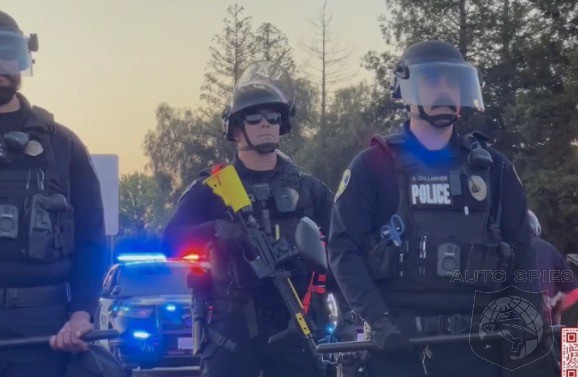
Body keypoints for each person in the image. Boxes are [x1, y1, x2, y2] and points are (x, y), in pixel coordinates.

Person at [328, 40, 554, 376]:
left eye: (453, 82)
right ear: (406, 92)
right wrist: (380, 321)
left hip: (482, 346)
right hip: (400, 348)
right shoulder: (372, 166)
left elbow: (522, 252)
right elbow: (344, 251)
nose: (445, 91)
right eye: (433, 81)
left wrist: (528, 341)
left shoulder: (494, 169)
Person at [163, 61, 334, 377]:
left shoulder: (309, 189)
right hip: (231, 332)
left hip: (295, 324)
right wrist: (216, 230)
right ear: (236, 129)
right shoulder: (213, 186)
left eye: (273, 116)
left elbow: (342, 250)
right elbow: (170, 240)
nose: (266, 123)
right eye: (254, 117)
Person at [0, 11, 107, 377]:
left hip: (43, 330)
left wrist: (81, 314)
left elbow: (92, 239)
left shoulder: (61, 144)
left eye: (7, 51)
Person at [528, 210, 578, 324]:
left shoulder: (499, 250)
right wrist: (556, 309)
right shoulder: (548, 250)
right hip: (543, 330)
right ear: (535, 229)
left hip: (502, 330)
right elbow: (574, 291)